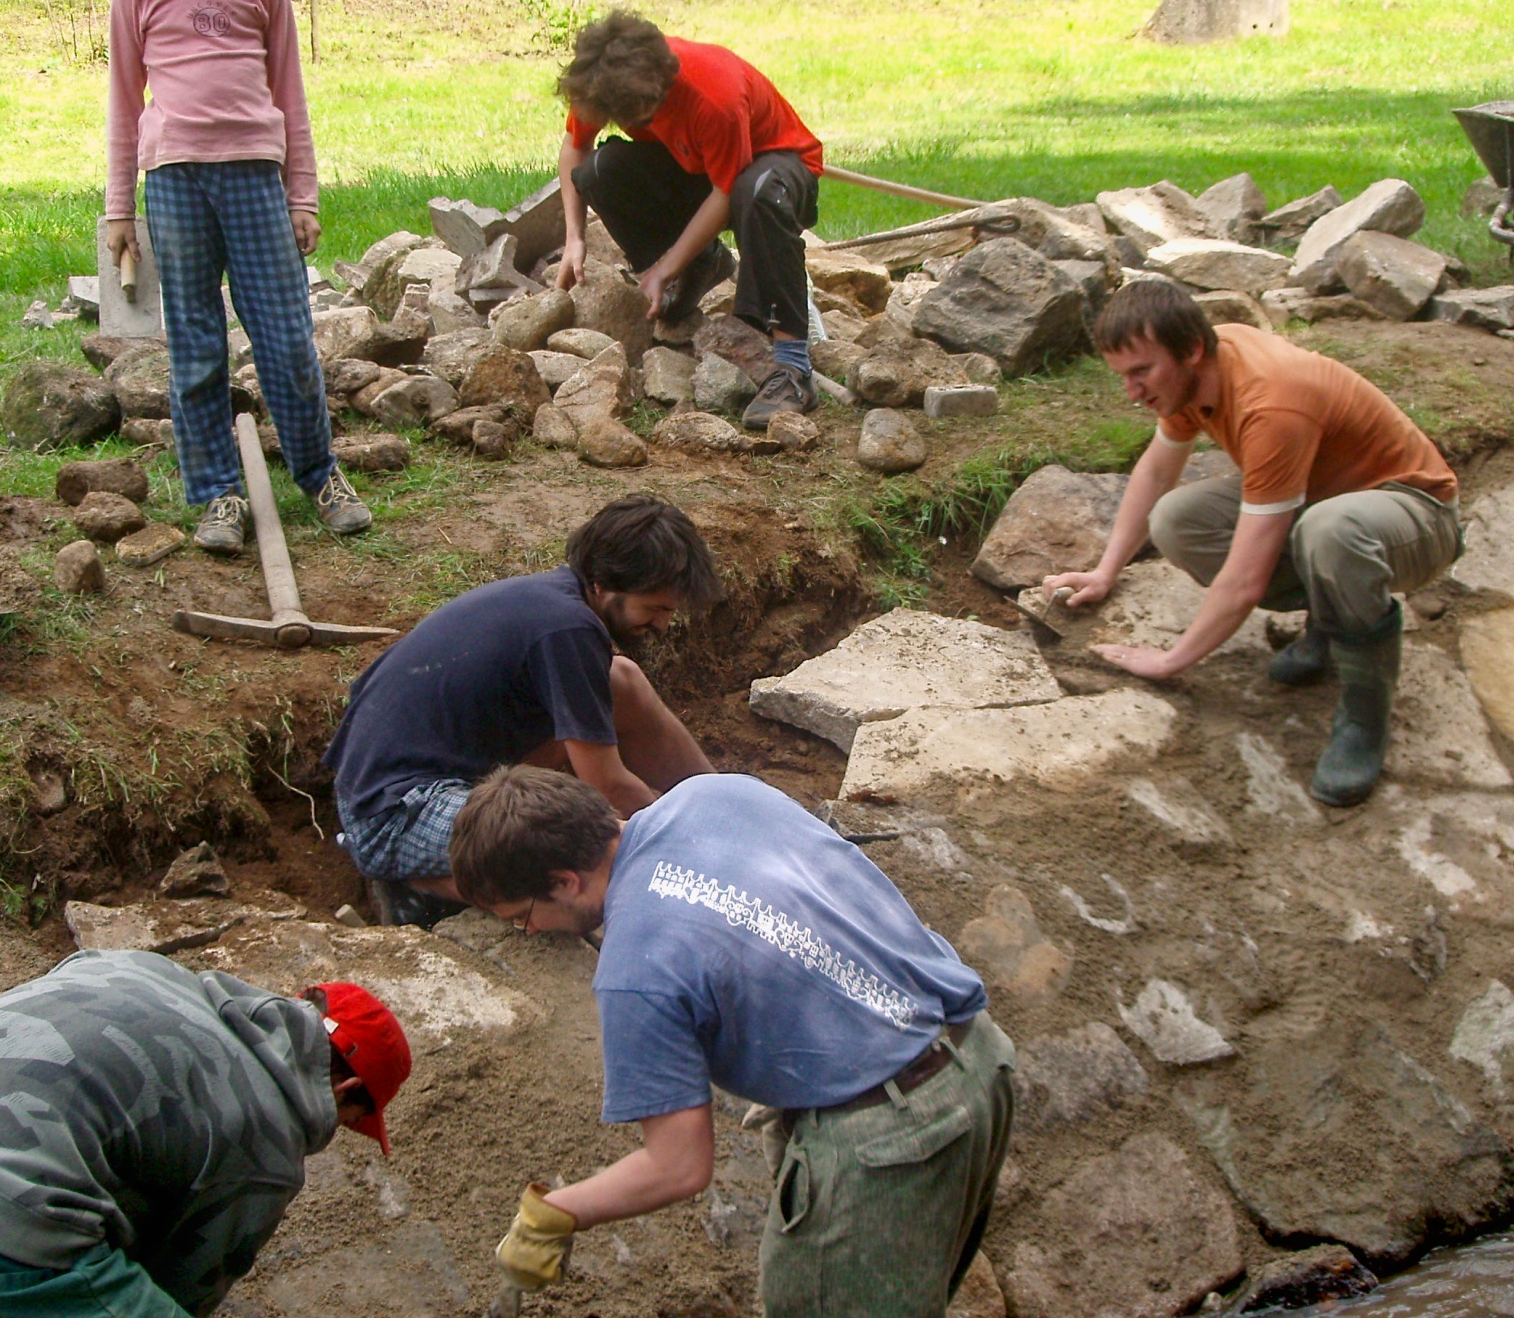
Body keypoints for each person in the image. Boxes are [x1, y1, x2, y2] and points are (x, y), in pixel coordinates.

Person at [451, 766, 1014, 1318]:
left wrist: (554, 1213)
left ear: (565, 882)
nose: (528, 930)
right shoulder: (716, 793)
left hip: (893, 1137)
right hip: (978, 1056)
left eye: (523, 916)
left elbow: (678, 1166)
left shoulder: (635, 967)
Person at [1043, 278, 1461, 806]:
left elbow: (1244, 580)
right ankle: (1330, 622)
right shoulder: (1195, 371)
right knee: (1176, 520)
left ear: (1192, 350)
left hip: (1416, 511)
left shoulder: (1271, 406)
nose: (1132, 392)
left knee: (1330, 533)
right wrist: (1106, 570)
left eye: (1141, 372)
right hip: (1323, 500)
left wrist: (1172, 660)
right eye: (1123, 375)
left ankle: (1364, 718)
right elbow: (1156, 472)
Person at [0, 948, 410, 1318]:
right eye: (352, 1122)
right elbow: (180, 1288)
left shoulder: (142, 965)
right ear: (346, 1090)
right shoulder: (271, 1137)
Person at [105, 0, 371, 549]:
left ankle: (319, 473)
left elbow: (291, 95)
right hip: (175, 183)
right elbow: (124, 106)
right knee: (196, 347)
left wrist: (302, 195)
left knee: (285, 339)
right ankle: (218, 493)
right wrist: (119, 208)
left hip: (256, 179)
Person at [322, 495, 720, 927]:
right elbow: (607, 785)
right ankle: (423, 885)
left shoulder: (556, 604)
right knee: (575, 851)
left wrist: (721, 826)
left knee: (620, 681)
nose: (663, 624)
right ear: (603, 583)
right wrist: (686, 850)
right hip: (392, 813)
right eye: (656, 608)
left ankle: (721, 808)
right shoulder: (568, 629)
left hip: (408, 774)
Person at [555, 11, 825, 431]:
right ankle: (703, 264)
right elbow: (576, 147)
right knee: (600, 171)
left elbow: (725, 193)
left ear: (655, 96)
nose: (621, 124)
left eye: (629, 119)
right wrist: (574, 237)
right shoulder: (603, 79)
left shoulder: (714, 96)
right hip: (701, 168)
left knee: (755, 193)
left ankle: (793, 369)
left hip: (777, 169)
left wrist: (665, 269)